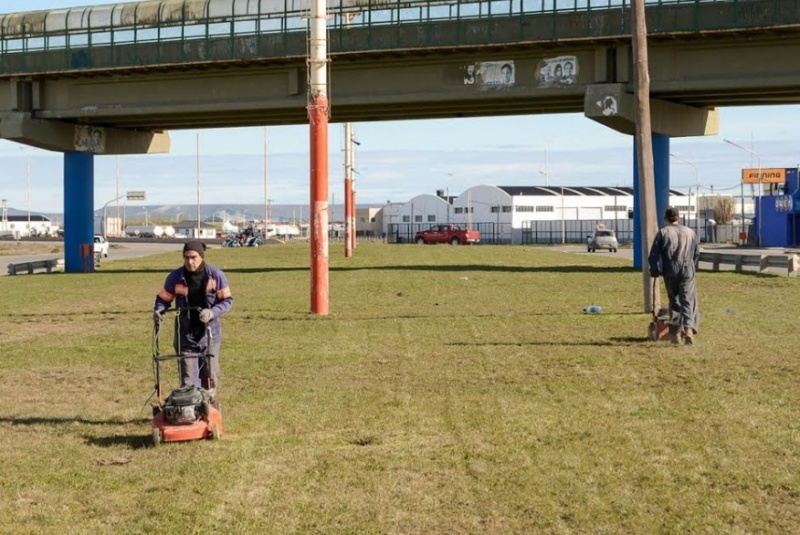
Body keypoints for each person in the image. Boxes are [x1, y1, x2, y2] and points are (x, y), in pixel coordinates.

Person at [153, 240, 233, 396]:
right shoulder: (175, 277)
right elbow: (164, 298)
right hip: (186, 334)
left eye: (194, 257)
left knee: (209, 375)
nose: (190, 262)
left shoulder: (215, 275)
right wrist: (159, 310)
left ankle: (208, 406)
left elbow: (227, 301)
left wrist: (212, 312)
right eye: (186, 257)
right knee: (188, 378)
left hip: (209, 335)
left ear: (201, 256)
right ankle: (190, 411)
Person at [648, 207, 700, 345]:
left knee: (675, 301)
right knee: (688, 300)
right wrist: (691, 267)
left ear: (666, 219)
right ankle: (688, 329)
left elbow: (653, 255)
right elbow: (696, 253)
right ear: (679, 218)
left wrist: (655, 270)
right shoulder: (690, 232)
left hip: (670, 269)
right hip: (687, 267)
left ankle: (676, 334)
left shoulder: (663, 232)